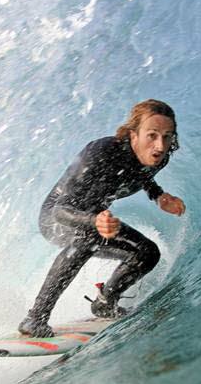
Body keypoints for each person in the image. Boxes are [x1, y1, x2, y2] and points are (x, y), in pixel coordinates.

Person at [18, 99, 186, 337]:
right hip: (59, 218)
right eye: (152, 135)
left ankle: (105, 303)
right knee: (88, 239)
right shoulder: (101, 152)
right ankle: (34, 318)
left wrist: (158, 196)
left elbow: (140, 173)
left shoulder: (160, 154)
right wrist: (93, 221)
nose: (160, 145)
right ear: (133, 135)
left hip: (96, 220)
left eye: (167, 136)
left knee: (147, 253)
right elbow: (60, 209)